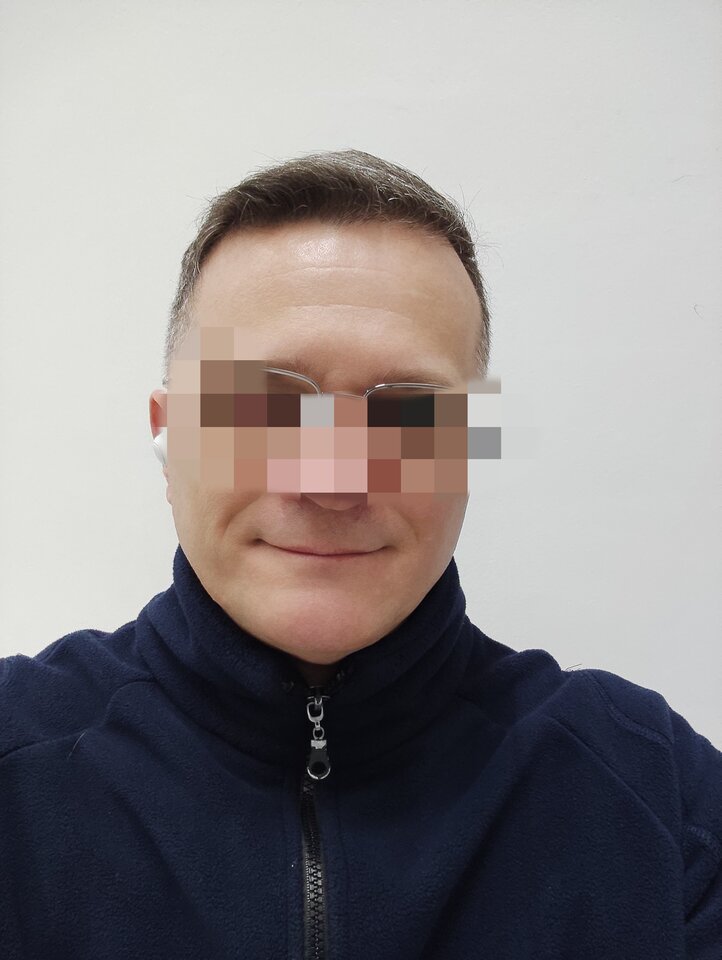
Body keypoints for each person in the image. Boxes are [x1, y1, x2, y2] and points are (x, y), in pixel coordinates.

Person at [1, 150, 719, 960]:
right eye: (265, 403)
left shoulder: (658, 795)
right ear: (168, 436)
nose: (333, 480)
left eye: (408, 412)